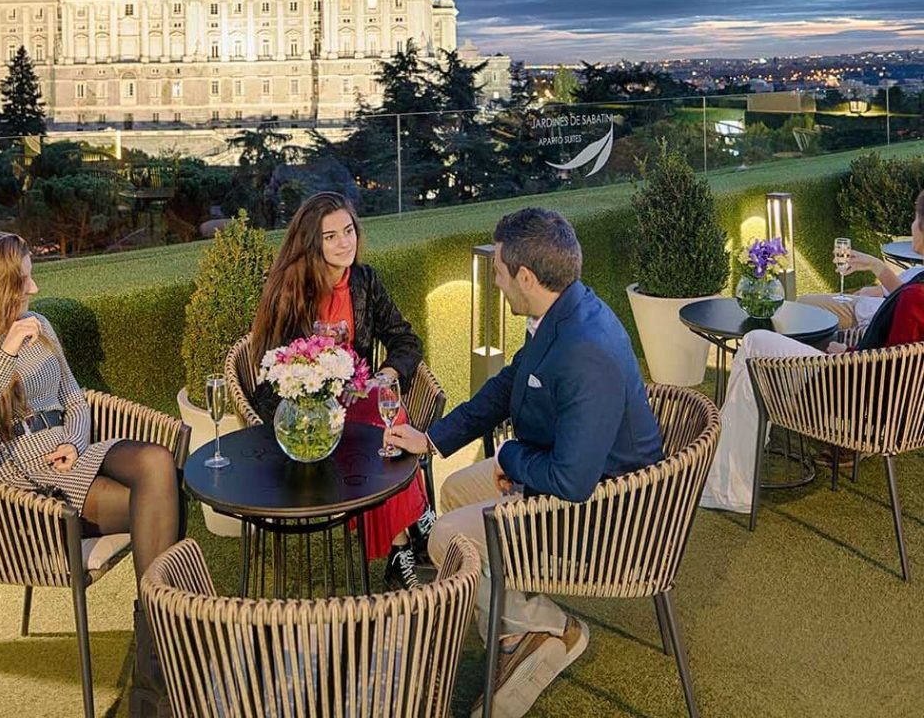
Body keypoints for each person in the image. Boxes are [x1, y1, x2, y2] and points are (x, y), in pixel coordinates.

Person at [385, 207, 664, 718]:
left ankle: (553, 628)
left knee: (448, 536)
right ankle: (517, 636)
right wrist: (430, 439)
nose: (494, 280)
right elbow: (507, 386)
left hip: (607, 517)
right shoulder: (560, 311)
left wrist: (512, 456)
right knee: (455, 492)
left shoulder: (586, 349)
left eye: (498, 270)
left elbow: (574, 482)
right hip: (566, 479)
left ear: (527, 277)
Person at [0, 231, 182, 696]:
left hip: (68, 455)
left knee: (157, 461)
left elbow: (75, 400)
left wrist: (77, 444)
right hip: (25, 488)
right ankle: (161, 653)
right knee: (162, 503)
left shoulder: (39, 324)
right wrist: (5, 356)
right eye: (24, 280)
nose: (34, 290)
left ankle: (154, 641)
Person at [249, 191, 436, 590]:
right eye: (331, 236)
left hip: (360, 395)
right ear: (312, 243)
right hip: (309, 408)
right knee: (384, 425)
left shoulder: (365, 282)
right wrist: (307, 401)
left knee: (384, 413)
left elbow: (406, 341)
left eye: (348, 230)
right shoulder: (291, 291)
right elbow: (271, 366)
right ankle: (413, 524)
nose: (344, 242)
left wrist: (384, 375)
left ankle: (402, 544)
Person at [701, 195, 924, 514]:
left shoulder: (916, 299)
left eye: (916, 220)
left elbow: (890, 375)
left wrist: (843, 354)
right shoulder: (917, 287)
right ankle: (727, 477)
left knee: (753, 345)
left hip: (852, 399)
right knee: (760, 370)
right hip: (861, 386)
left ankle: (727, 486)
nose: (912, 227)